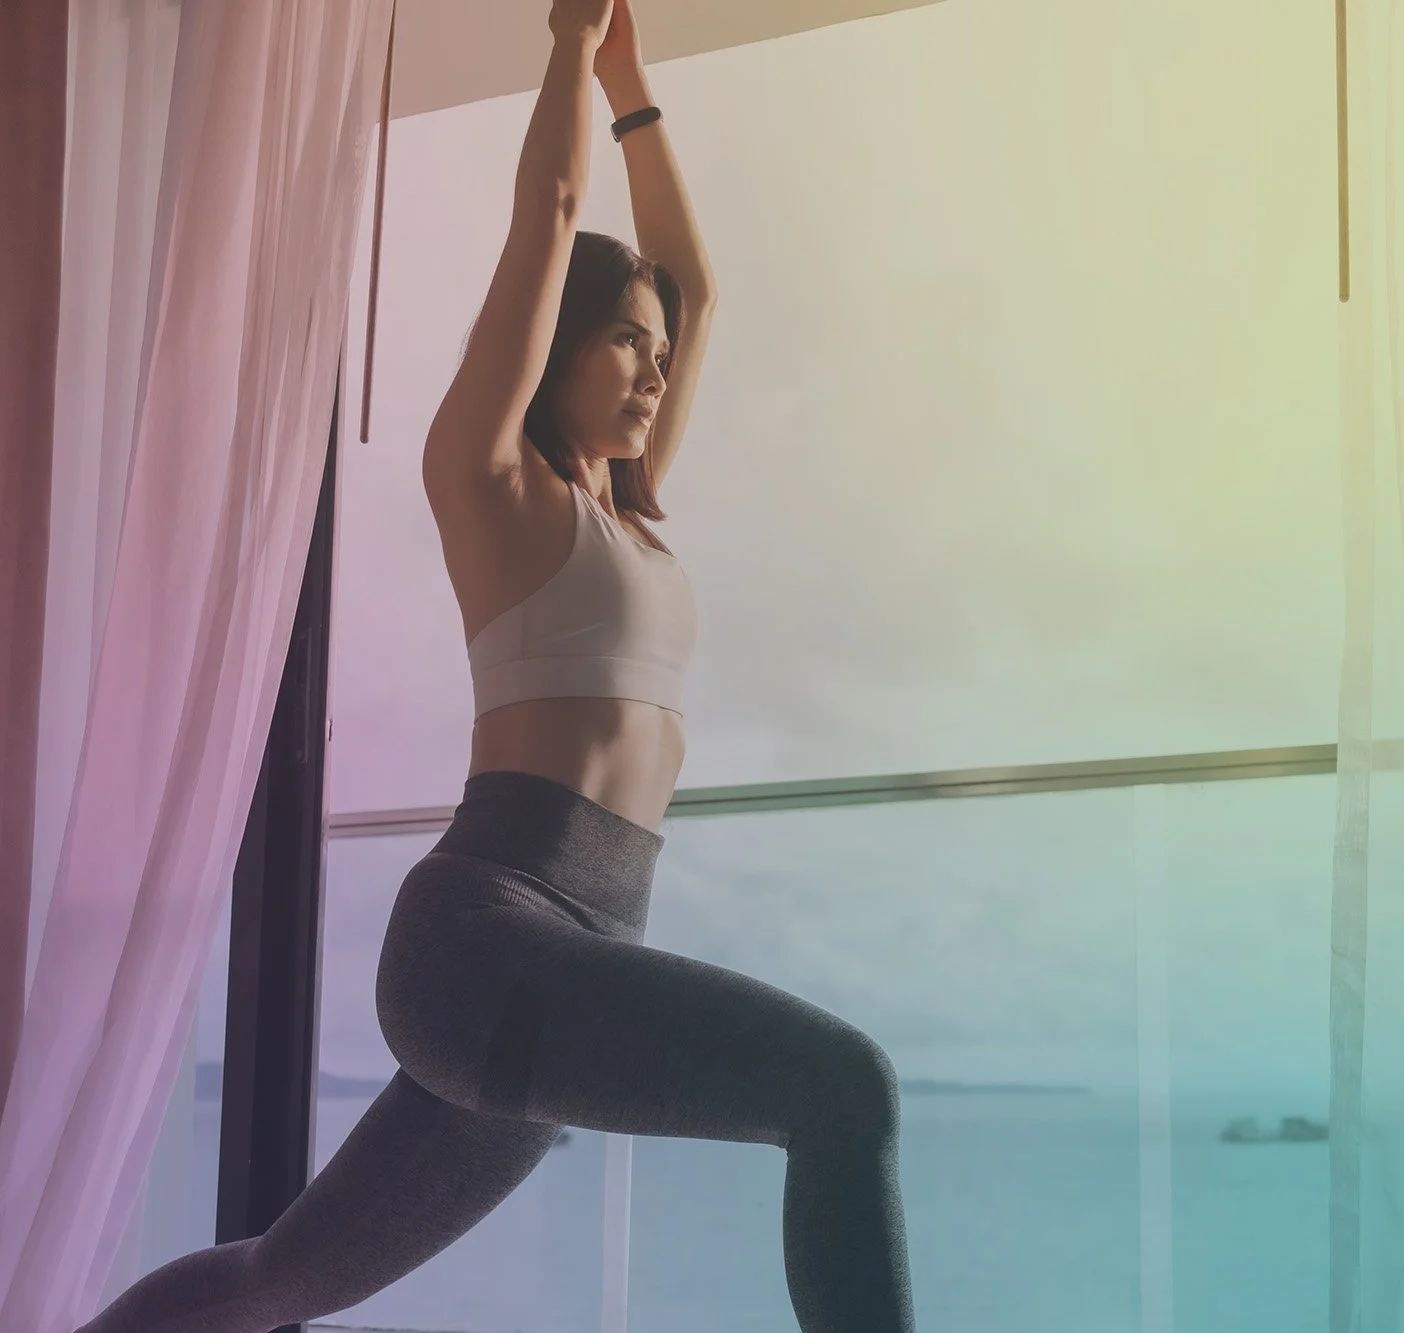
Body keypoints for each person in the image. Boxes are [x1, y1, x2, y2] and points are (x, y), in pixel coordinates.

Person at [74, 2, 915, 1329]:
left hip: (567, 956)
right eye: (623, 337)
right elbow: (552, 207)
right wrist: (572, 55)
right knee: (842, 1089)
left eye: (657, 342)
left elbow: (702, 287)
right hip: (489, 940)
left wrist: (640, 88)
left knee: (274, 1279)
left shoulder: (629, 510)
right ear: (560, 348)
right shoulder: (496, 485)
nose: (653, 361)